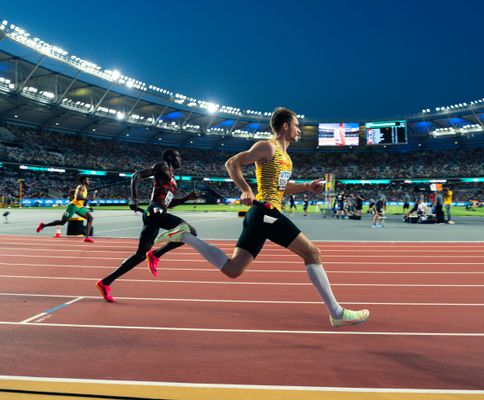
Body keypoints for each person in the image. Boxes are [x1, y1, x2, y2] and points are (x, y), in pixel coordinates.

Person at [153, 107, 369, 327]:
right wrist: (245, 188)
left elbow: (281, 188)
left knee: (233, 269)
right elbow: (232, 163)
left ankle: (185, 236)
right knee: (312, 252)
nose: (299, 130)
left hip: (261, 215)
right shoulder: (268, 146)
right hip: (265, 211)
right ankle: (337, 312)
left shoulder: (286, 158)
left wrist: (306, 186)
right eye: (296, 125)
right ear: (285, 126)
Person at [95, 149, 209, 302]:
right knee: (191, 232)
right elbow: (137, 175)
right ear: (170, 157)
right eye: (178, 157)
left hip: (156, 212)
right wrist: (133, 199)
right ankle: (156, 254)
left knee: (140, 255)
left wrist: (187, 198)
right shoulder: (162, 166)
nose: (180, 159)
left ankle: (105, 282)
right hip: (155, 211)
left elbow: (168, 203)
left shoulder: (172, 178)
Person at [36, 175, 95, 242]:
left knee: (90, 218)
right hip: (73, 206)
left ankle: (87, 238)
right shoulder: (81, 187)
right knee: (62, 222)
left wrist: (73, 197)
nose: (89, 181)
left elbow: (72, 192)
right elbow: (78, 197)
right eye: (87, 180)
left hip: (79, 207)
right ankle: (43, 225)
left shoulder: (83, 188)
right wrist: (89, 198)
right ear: (84, 181)